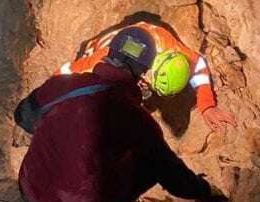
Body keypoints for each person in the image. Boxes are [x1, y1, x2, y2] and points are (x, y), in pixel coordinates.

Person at [16, 27, 222, 202]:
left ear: (110, 51)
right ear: (144, 72)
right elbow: (174, 178)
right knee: (151, 161)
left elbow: (23, 118)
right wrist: (204, 190)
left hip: (28, 189)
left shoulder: (62, 84)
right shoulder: (137, 119)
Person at [55, 21, 236, 131]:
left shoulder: (171, 49)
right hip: (95, 50)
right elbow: (67, 72)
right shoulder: (104, 59)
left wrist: (207, 104)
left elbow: (198, 65)